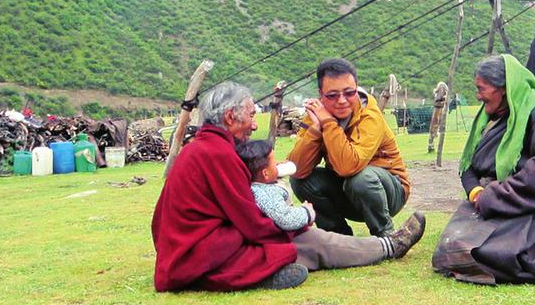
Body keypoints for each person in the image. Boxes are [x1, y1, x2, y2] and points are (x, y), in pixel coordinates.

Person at [151, 81, 425, 293]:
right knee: (307, 242)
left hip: (186, 252)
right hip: (200, 256)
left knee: (301, 240)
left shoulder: (201, 148)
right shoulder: (217, 153)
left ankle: (277, 267)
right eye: (250, 115)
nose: (254, 125)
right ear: (230, 117)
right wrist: (295, 223)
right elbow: (251, 223)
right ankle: (389, 246)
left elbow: (159, 221)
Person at [432, 54, 535, 285]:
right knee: (450, 247)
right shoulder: (489, 119)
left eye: (481, 89)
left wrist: (495, 196)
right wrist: (476, 192)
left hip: (520, 203)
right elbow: (468, 165)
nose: (478, 96)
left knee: (491, 254)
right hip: (483, 202)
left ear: (503, 88)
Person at [288, 58, 409, 238]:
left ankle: (386, 237)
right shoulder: (315, 114)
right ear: (321, 94)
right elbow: (297, 169)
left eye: (349, 93)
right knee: (300, 181)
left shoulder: (369, 115)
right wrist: (315, 129)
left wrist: (328, 123)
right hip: (348, 191)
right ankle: (337, 238)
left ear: (356, 89)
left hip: (389, 191)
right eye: (332, 95)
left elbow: (349, 167)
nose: (342, 100)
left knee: (360, 178)